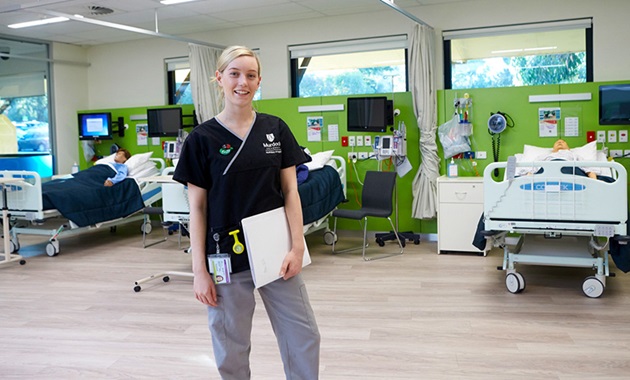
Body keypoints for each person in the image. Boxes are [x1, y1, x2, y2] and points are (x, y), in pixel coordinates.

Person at [172, 46, 320, 379]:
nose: (243, 82)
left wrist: (297, 247)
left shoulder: (275, 129)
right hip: (226, 254)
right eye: (235, 74)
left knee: (304, 335)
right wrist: (199, 270)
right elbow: (196, 208)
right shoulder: (201, 139)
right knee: (231, 344)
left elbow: (290, 191)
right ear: (219, 78)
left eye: (250, 75)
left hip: (276, 252)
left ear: (259, 81)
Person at [532, 139, 598, 179]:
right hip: (548, 172)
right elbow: (532, 170)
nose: (560, 142)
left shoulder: (574, 156)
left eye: (563, 142)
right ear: (553, 149)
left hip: (571, 172)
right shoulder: (544, 157)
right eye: (557, 142)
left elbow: (589, 170)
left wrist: (593, 183)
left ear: (568, 148)